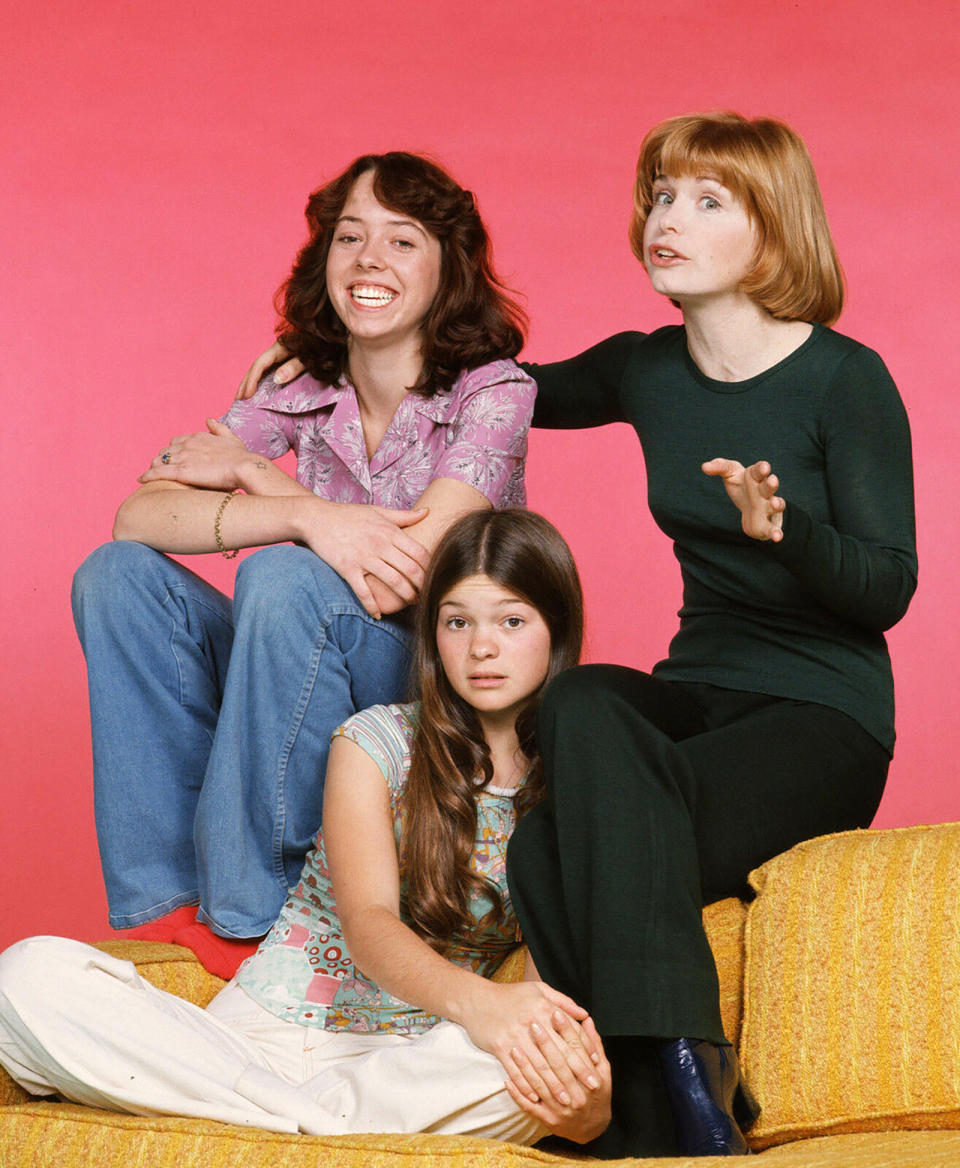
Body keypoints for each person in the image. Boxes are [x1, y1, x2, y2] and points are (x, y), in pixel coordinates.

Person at [243, 113, 918, 1158]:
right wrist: (333, 353)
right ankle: (678, 1096)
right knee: (579, 701)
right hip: (698, 688)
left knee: (553, 850)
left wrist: (791, 536)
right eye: (659, 197)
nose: (668, 219)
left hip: (820, 713)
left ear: (773, 227)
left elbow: (888, 589)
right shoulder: (648, 369)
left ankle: (676, 1093)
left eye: (705, 201)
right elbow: (486, 384)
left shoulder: (843, 378)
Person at [0, 510, 612, 1145]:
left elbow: (551, 988)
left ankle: (264, 1132)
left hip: (408, 1067)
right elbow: (369, 923)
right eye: (457, 621)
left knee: (529, 1078)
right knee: (24, 975)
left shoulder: (580, 785)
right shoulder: (377, 739)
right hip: (259, 1037)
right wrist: (482, 1005)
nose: (481, 647)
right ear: (434, 634)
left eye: (511, 621)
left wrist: (576, 1091)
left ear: (556, 630)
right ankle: (316, 1132)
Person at [71, 152, 536, 976]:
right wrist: (298, 509)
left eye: (401, 241)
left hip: (422, 679)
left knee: (284, 578)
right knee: (117, 577)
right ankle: (166, 902)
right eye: (349, 237)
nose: (368, 259)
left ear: (446, 268)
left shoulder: (491, 393)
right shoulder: (298, 388)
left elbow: (402, 571)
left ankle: (255, 908)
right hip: (294, 662)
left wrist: (258, 483)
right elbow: (138, 516)